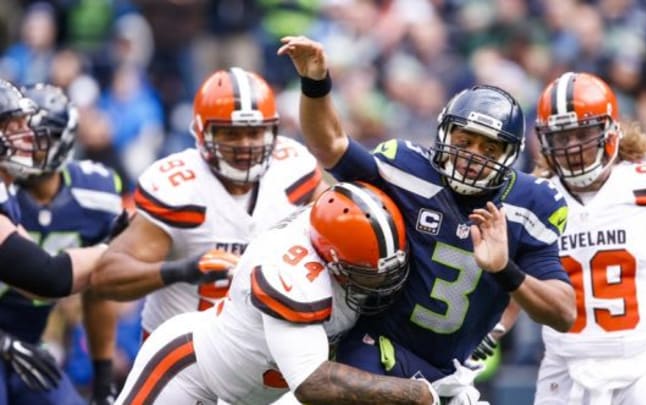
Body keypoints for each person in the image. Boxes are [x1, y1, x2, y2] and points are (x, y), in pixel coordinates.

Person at [277, 35, 576, 397]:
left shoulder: (530, 204)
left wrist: (504, 270)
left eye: (488, 147)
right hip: (381, 350)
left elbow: (563, 312)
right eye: (464, 141)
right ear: (444, 134)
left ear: (509, 156)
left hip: (455, 373)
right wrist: (315, 82)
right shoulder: (407, 169)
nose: (472, 155)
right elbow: (330, 145)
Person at [115, 182, 450, 405]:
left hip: (265, 394)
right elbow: (312, 383)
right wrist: (413, 393)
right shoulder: (289, 271)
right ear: (331, 260)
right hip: (193, 372)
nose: (383, 283)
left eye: (390, 270)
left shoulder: (350, 245)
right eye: (368, 274)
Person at [91, 67, 328, 338]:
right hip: (180, 354)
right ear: (203, 133)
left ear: (273, 131)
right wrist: (182, 270)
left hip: (264, 351)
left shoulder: (294, 170)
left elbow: (338, 233)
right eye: (231, 134)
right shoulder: (180, 188)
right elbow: (106, 278)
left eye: (254, 132)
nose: (245, 145)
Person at [532, 71, 646, 404]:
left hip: (644, 365)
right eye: (561, 137)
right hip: (565, 369)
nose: (572, 147)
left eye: (582, 132)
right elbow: (513, 282)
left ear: (610, 131)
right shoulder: (535, 200)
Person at [3, 83, 121, 405]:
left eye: (31, 132)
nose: (29, 143)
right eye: (14, 130)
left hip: (29, 342)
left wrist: (103, 381)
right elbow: (48, 276)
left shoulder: (93, 195)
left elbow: (93, 291)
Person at [0, 78, 107, 297]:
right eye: (16, 125)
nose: (29, 134)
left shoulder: (6, 189)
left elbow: (34, 284)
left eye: (26, 123)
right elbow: (49, 278)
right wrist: (112, 248)